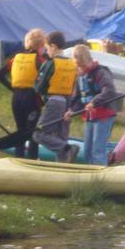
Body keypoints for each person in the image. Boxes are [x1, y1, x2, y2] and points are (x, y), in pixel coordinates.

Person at [0, 28, 46, 158]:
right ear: (40, 45)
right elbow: (47, 79)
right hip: (31, 99)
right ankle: (32, 162)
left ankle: (19, 160)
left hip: (16, 99)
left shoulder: (16, 58)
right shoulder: (39, 60)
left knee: (20, 132)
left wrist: (12, 88)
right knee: (31, 133)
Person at [63, 45, 117, 165]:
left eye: (82, 65)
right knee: (87, 150)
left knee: (97, 149)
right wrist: (71, 110)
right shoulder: (80, 76)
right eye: (77, 66)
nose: (80, 69)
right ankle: (90, 174)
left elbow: (109, 90)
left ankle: (99, 176)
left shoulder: (101, 72)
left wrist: (94, 102)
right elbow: (78, 98)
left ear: (87, 60)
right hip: (90, 116)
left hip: (104, 115)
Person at [32, 31, 79, 162]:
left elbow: (39, 86)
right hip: (67, 104)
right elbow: (74, 87)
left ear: (53, 46)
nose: (47, 52)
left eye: (47, 48)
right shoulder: (72, 64)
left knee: (38, 134)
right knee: (61, 136)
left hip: (53, 102)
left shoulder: (50, 63)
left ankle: (68, 148)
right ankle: (63, 166)